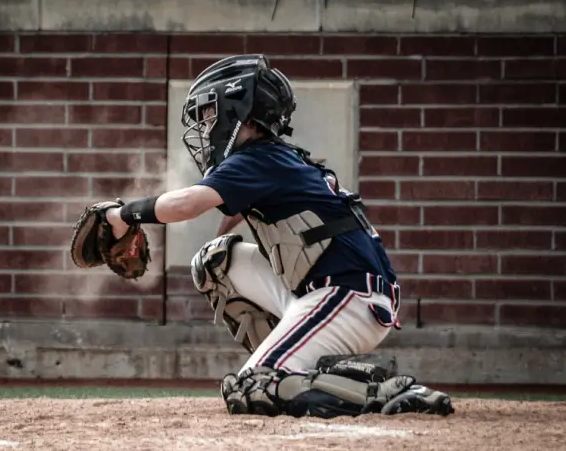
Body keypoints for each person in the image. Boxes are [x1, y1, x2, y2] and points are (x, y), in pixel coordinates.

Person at [103, 54, 454, 418]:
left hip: (348, 297)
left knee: (252, 386)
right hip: (333, 291)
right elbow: (234, 210)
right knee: (214, 262)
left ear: (237, 111)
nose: (206, 127)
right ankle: (291, 365)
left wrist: (123, 215)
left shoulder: (258, 159)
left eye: (210, 114)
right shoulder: (272, 158)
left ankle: (383, 393)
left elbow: (188, 203)